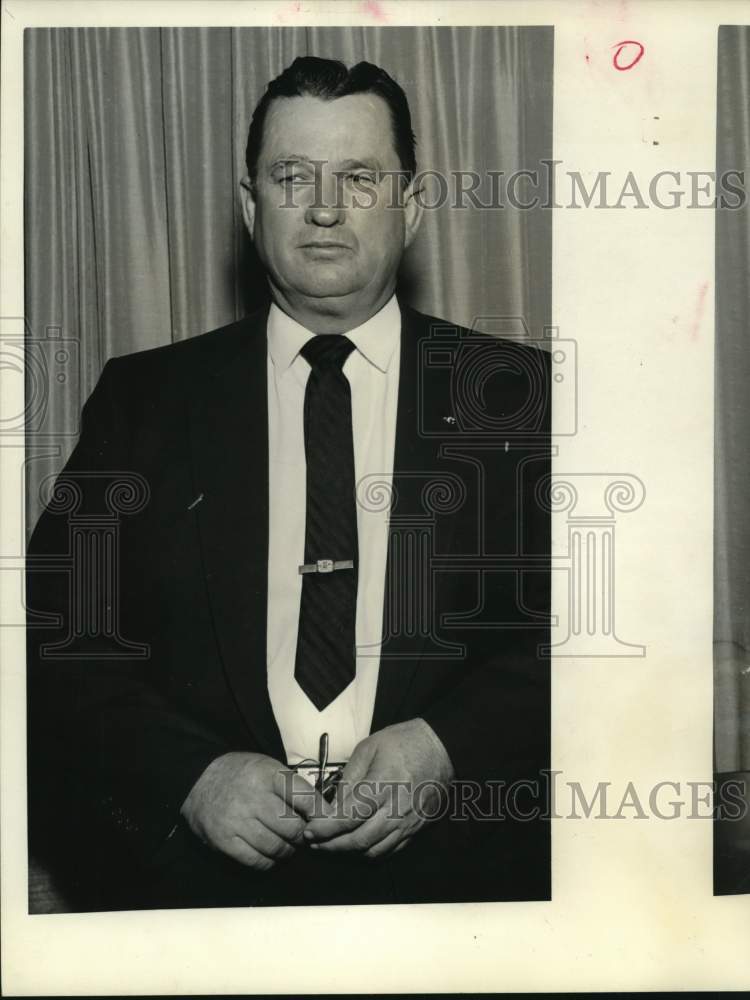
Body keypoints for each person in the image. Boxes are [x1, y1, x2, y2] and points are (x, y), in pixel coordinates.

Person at [26, 56, 551, 910]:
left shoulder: (516, 397)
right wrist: (190, 776)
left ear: (411, 208)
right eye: (291, 176)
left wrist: (449, 746)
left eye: (359, 177)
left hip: (463, 891)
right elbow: (51, 633)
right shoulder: (145, 399)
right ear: (249, 207)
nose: (324, 208)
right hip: (198, 895)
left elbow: (595, 632)